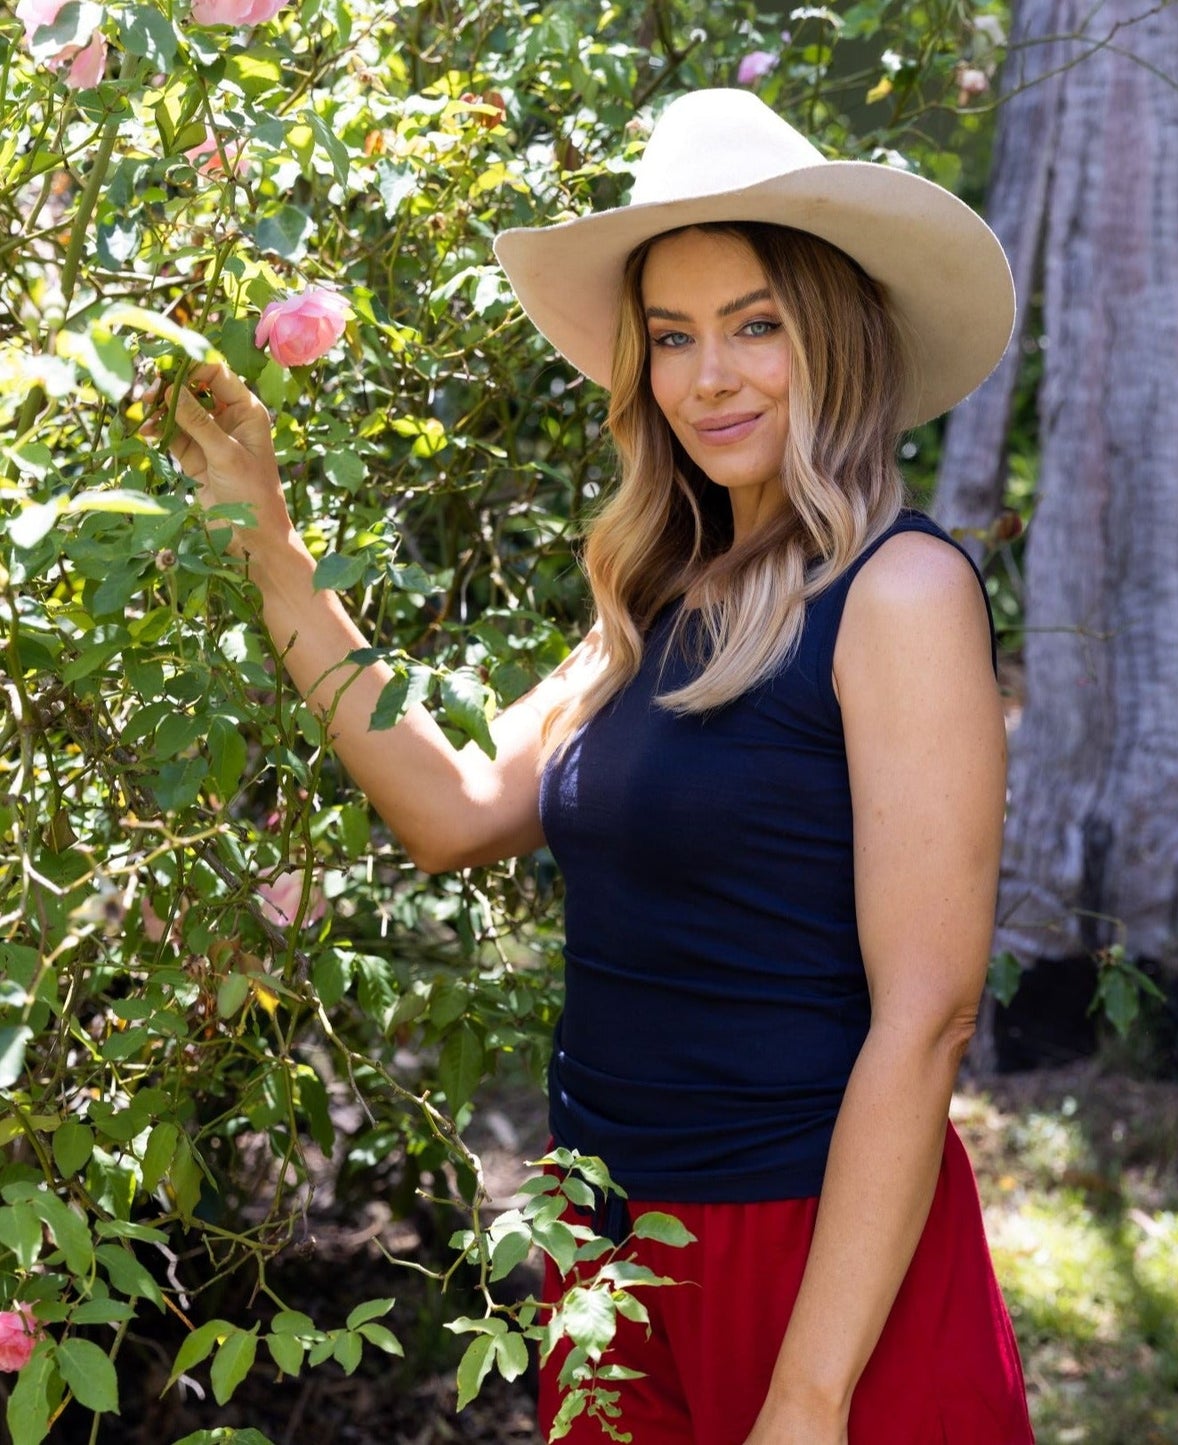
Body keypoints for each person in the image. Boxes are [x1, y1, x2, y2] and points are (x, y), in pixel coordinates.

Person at [151, 87, 1033, 1445]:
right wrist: (267, 539)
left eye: (756, 325)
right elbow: (449, 808)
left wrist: (806, 1397)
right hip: (610, 1245)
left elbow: (927, 1015)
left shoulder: (896, 594)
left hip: (811, 1260)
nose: (709, 376)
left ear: (838, 338)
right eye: (671, 338)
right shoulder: (657, 597)